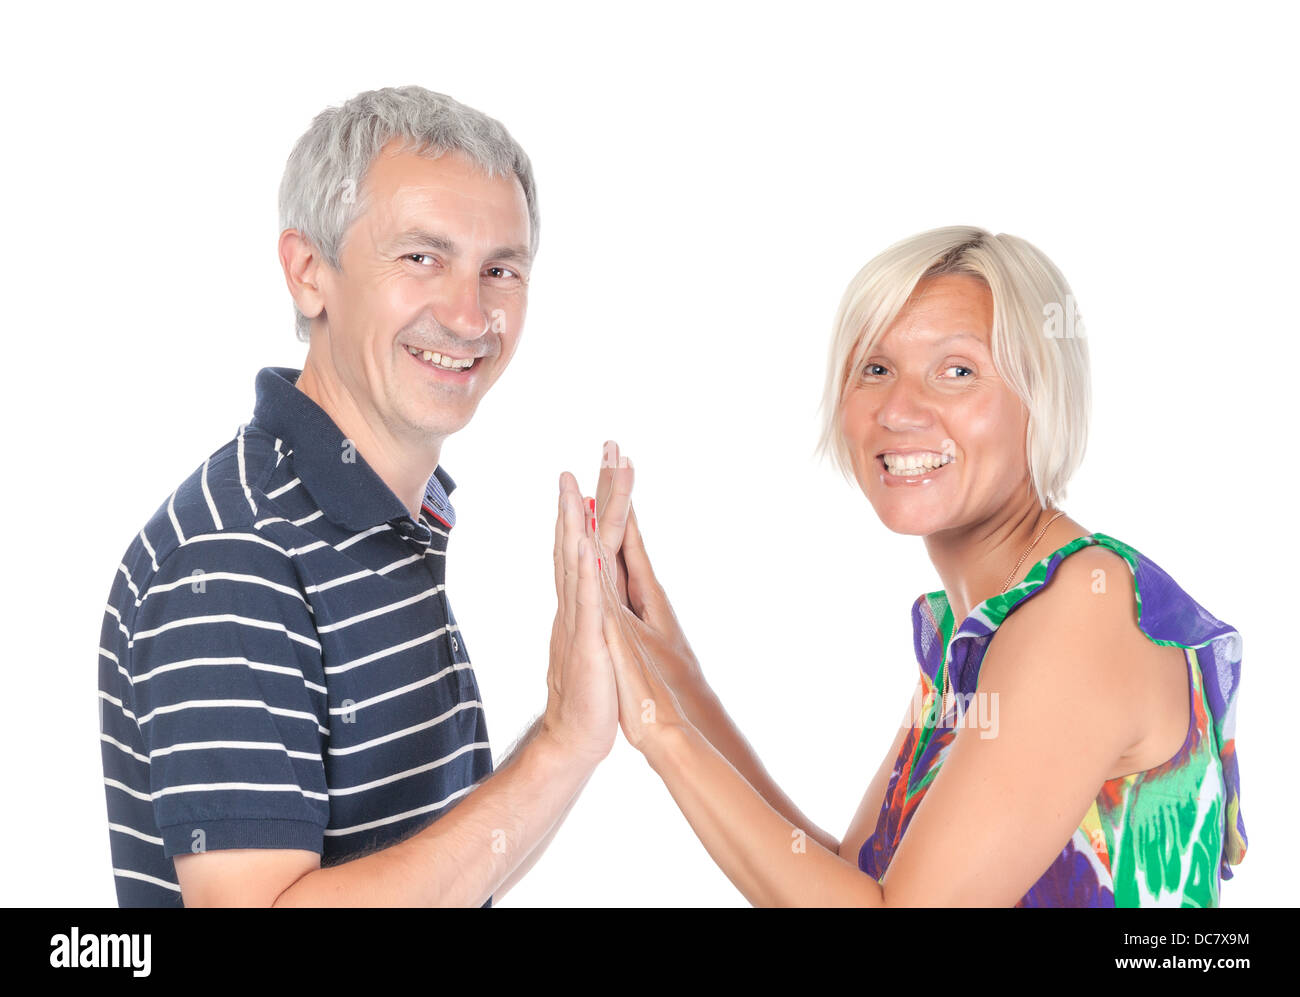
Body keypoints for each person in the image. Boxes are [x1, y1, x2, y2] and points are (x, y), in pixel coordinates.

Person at [591, 227, 1247, 906]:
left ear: (1042, 397)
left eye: (957, 370)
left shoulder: (1082, 607)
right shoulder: (986, 627)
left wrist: (658, 731)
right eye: (875, 368)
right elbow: (852, 878)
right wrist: (677, 680)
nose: (899, 409)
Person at [97, 85, 634, 907]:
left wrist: (581, 717)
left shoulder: (392, 517)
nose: (469, 314)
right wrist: (561, 741)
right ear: (310, 272)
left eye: (501, 269)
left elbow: (443, 871)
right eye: (422, 256)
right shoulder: (235, 556)